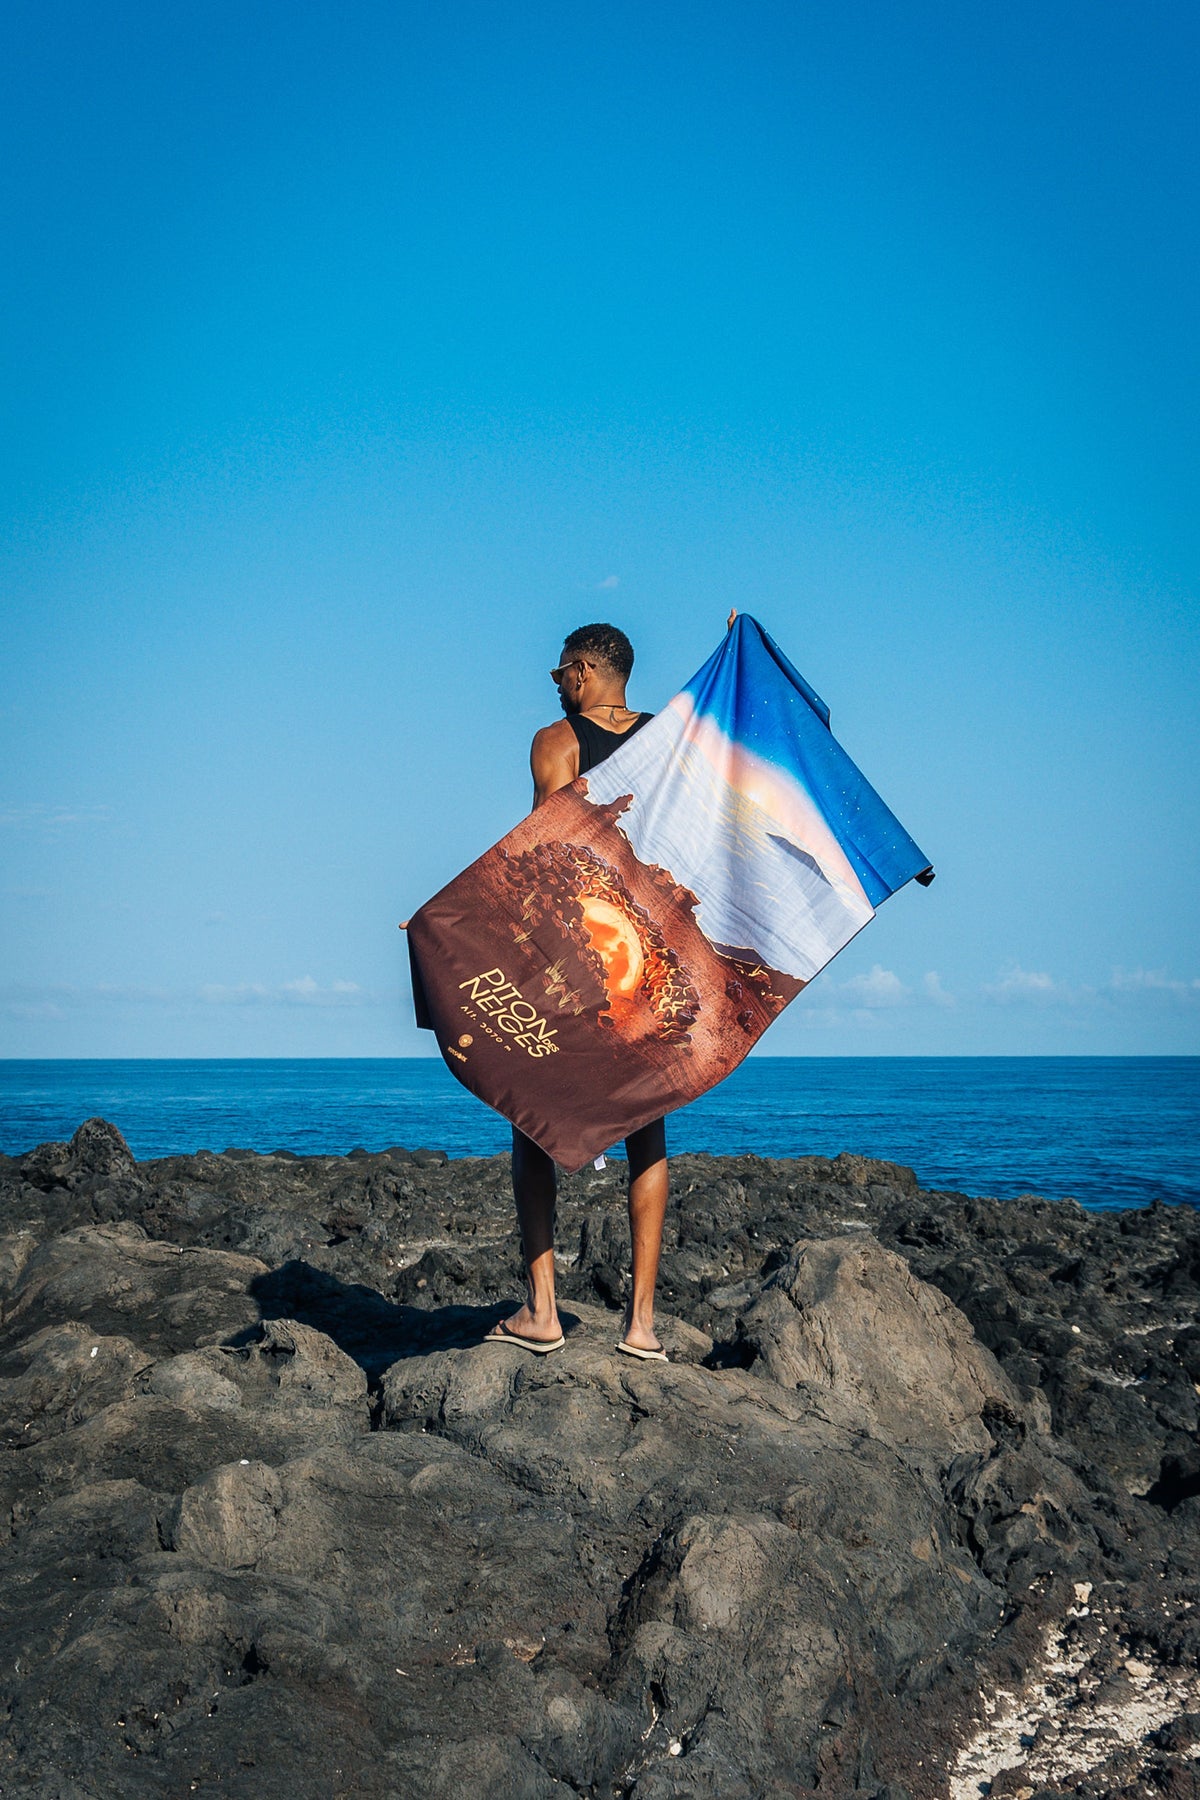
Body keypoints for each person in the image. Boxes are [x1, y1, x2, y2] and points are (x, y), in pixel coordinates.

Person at [486, 623, 671, 1362]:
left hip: (576, 953)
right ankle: (642, 1328)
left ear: (588, 669)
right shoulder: (672, 740)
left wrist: (451, 917)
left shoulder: (554, 741)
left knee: (533, 1120)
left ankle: (543, 1314)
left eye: (561, 670)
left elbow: (544, 847)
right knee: (647, 1127)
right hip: (655, 954)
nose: (555, 682)